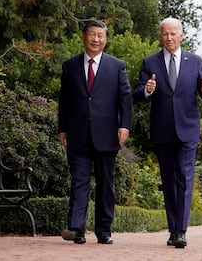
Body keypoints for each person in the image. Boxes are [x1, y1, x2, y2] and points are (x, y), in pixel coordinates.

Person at [133, 17, 202, 249]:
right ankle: (173, 229)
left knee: (185, 178)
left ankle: (181, 231)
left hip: (188, 130)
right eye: (165, 34)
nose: (169, 38)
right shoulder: (150, 61)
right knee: (168, 181)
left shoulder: (195, 61)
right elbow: (138, 92)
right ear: (161, 36)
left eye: (173, 34)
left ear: (181, 36)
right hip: (162, 130)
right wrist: (147, 91)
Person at [58, 20, 133, 245]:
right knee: (79, 181)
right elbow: (64, 101)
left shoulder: (116, 66)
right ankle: (76, 228)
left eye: (100, 35)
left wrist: (125, 125)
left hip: (107, 134)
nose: (96, 39)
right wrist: (62, 128)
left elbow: (125, 100)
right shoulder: (70, 66)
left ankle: (104, 230)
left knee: (105, 184)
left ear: (105, 39)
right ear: (84, 37)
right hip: (77, 133)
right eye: (92, 35)